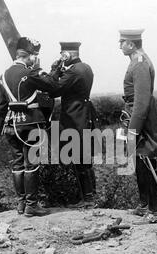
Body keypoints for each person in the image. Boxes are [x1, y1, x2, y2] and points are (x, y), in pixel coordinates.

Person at [0, 37, 58, 217]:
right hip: (31, 122)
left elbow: (1, 105)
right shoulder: (31, 73)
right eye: (35, 55)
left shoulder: (3, 75)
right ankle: (32, 205)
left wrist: (7, 121)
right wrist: (41, 69)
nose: (36, 58)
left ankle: (21, 204)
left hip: (11, 124)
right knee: (32, 162)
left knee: (17, 163)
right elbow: (52, 86)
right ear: (28, 55)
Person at [119, 29, 157, 219]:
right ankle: (144, 204)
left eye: (121, 42)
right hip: (135, 114)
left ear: (131, 44)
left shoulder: (139, 64)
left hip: (142, 117)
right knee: (138, 160)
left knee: (147, 160)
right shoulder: (136, 61)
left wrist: (133, 130)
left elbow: (141, 101)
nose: (119, 45)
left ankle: (155, 210)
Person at [49, 42, 98, 209]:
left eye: (62, 54)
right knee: (83, 157)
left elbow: (54, 90)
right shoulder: (85, 67)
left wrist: (54, 72)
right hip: (83, 114)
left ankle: (88, 199)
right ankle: (89, 197)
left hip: (74, 116)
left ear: (66, 55)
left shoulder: (73, 71)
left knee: (79, 157)